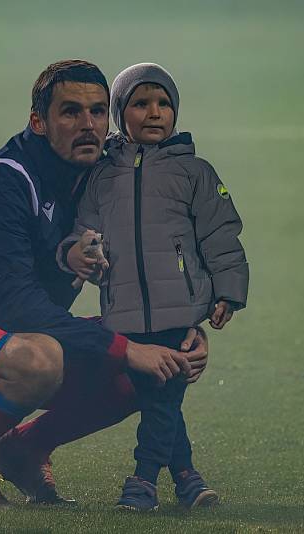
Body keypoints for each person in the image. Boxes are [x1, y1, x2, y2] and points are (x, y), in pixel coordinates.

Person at [0, 59, 211, 509]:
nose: (88, 126)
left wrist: (183, 323)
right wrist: (126, 347)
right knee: (41, 358)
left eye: (98, 112)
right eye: (70, 112)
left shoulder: (103, 175)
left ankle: (24, 448)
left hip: (34, 337)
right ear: (38, 121)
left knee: (161, 354)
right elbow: (12, 305)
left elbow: (159, 255)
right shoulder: (2, 182)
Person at [60, 63, 249, 511]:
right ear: (121, 112)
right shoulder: (101, 176)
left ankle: (142, 481)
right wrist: (82, 249)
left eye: (163, 103)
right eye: (141, 103)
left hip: (178, 310)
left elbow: (221, 235)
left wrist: (228, 292)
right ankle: (187, 478)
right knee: (158, 400)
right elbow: (82, 229)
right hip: (123, 310)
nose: (154, 112)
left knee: (161, 400)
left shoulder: (195, 172)